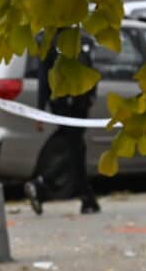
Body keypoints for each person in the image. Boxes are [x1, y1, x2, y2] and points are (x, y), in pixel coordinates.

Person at [23, 35, 101, 215]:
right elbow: (45, 77)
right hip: (73, 103)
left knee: (76, 148)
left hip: (68, 103)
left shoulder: (71, 39)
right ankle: (43, 184)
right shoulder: (74, 39)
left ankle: (86, 198)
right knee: (75, 148)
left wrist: (41, 109)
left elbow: (45, 78)